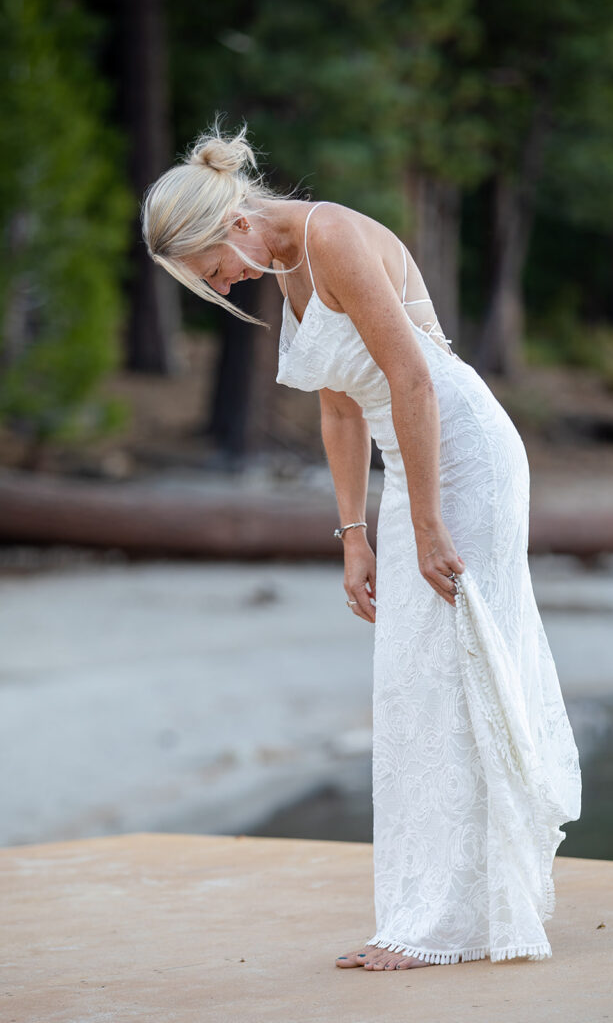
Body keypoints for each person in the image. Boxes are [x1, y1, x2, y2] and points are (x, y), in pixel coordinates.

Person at [142, 119, 582, 972]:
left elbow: (412, 375)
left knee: (454, 669)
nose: (223, 287)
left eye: (211, 272)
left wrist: (424, 524)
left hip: (461, 456)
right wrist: (353, 536)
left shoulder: (331, 235)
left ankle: (453, 923)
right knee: (413, 685)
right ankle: (434, 911)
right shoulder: (282, 264)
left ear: (231, 226)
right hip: (409, 462)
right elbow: (340, 403)